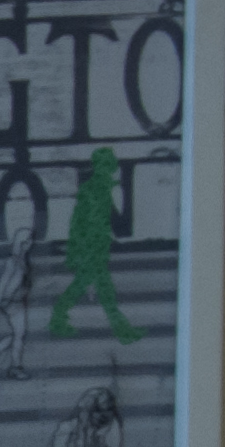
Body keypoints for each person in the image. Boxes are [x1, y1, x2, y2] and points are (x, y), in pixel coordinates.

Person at [49, 146, 141, 344]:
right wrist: (79, 250)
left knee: (87, 287)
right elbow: (82, 222)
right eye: (107, 164)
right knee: (103, 291)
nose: (110, 168)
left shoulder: (98, 188)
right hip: (92, 249)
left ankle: (58, 319)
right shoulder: (94, 190)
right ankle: (123, 332)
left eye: (109, 164)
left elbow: (92, 220)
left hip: (95, 248)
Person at [0, 221, 38, 380]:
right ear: (21, 242)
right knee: (19, 335)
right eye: (27, 240)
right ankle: (15, 367)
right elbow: (3, 284)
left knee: (18, 335)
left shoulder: (22, 261)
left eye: (30, 240)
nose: (30, 243)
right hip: (11, 303)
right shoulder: (13, 261)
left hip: (17, 303)